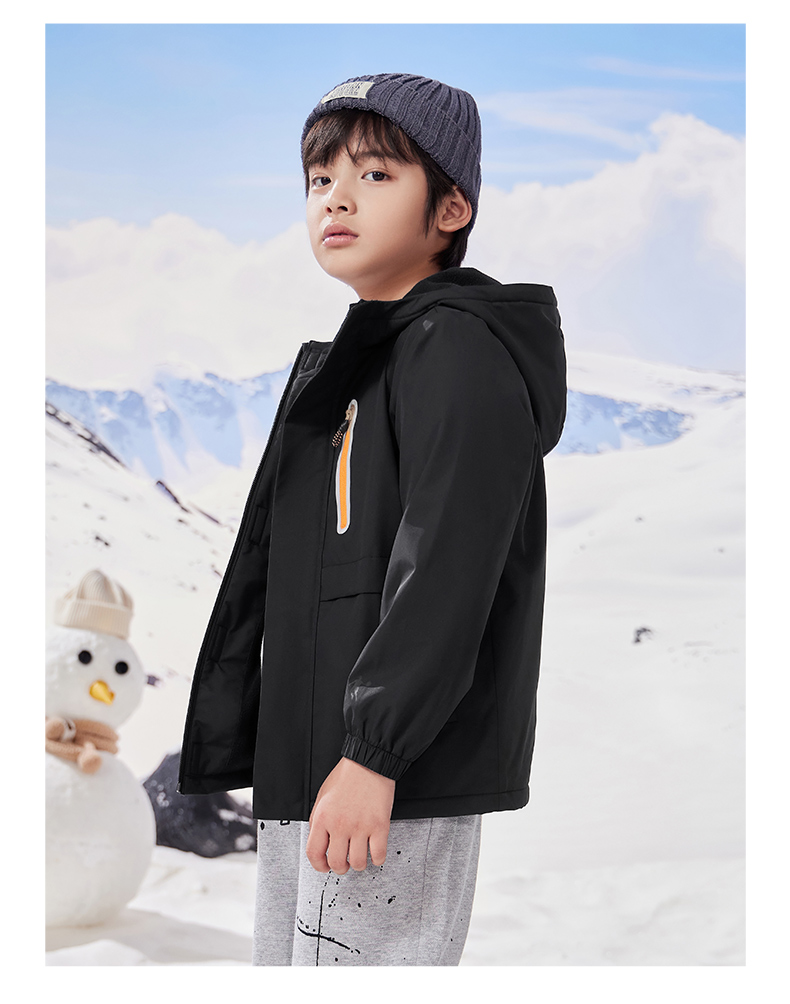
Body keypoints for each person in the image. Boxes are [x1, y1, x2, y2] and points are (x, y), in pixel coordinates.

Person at [177, 72, 567, 967]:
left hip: (390, 780)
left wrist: (374, 754)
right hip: (314, 775)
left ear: (451, 209)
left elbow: (448, 570)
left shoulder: (455, 349)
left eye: (377, 175)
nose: (337, 198)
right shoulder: (358, 366)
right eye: (320, 179)